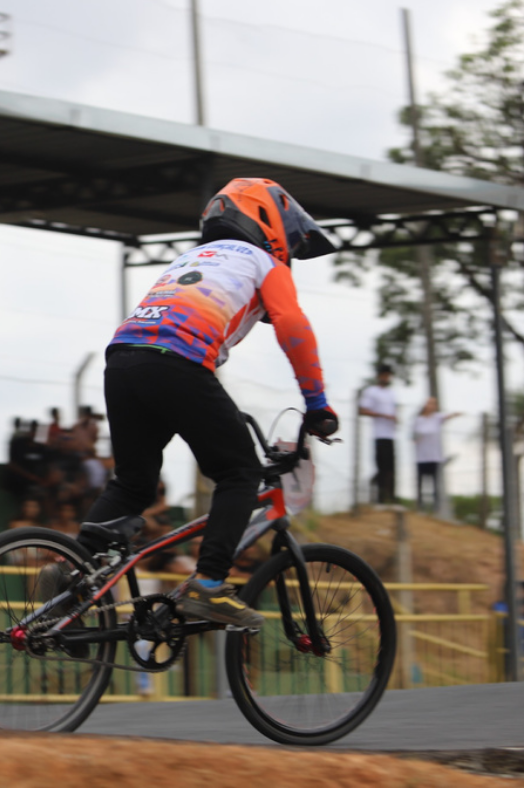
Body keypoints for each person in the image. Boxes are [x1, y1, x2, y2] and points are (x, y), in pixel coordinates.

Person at [84, 178, 339, 630]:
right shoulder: (263, 263)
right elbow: (292, 326)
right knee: (239, 471)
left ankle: (74, 573)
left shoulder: (190, 259)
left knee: (133, 483)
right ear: (269, 223)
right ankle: (208, 585)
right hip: (177, 364)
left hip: (122, 361)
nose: (290, 256)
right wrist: (317, 404)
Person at [412, 397, 461, 513]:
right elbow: (414, 437)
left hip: (434, 456)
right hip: (421, 457)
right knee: (421, 484)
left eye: (433, 404)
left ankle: (436, 508)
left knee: (435, 484)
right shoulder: (418, 420)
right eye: (429, 403)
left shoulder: (437, 418)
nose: (431, 406)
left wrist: (455, 414)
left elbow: (447, 417)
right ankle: (420, 507)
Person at [359, 364, 398, 505]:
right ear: (379, 376)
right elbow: (363, 410)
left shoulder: (392, 393)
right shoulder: (371, 391)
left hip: (391, 435)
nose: (386, 378)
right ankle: (380, 498)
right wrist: (383, 415)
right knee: (381, 467)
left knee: (391, 468)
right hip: (379, 435)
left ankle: (392, 497)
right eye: (384, 375)